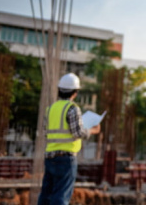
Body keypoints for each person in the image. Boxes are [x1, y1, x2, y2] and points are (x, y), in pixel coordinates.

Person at [38, 73, 100, 205]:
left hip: (50, 157)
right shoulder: (72, 108)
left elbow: (46, 133)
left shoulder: (50, 109)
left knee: (46, 195)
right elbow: (77, 132)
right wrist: (93, 130)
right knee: (61, 196)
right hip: (65, 159)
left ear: (59, 90)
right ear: (75, 92)